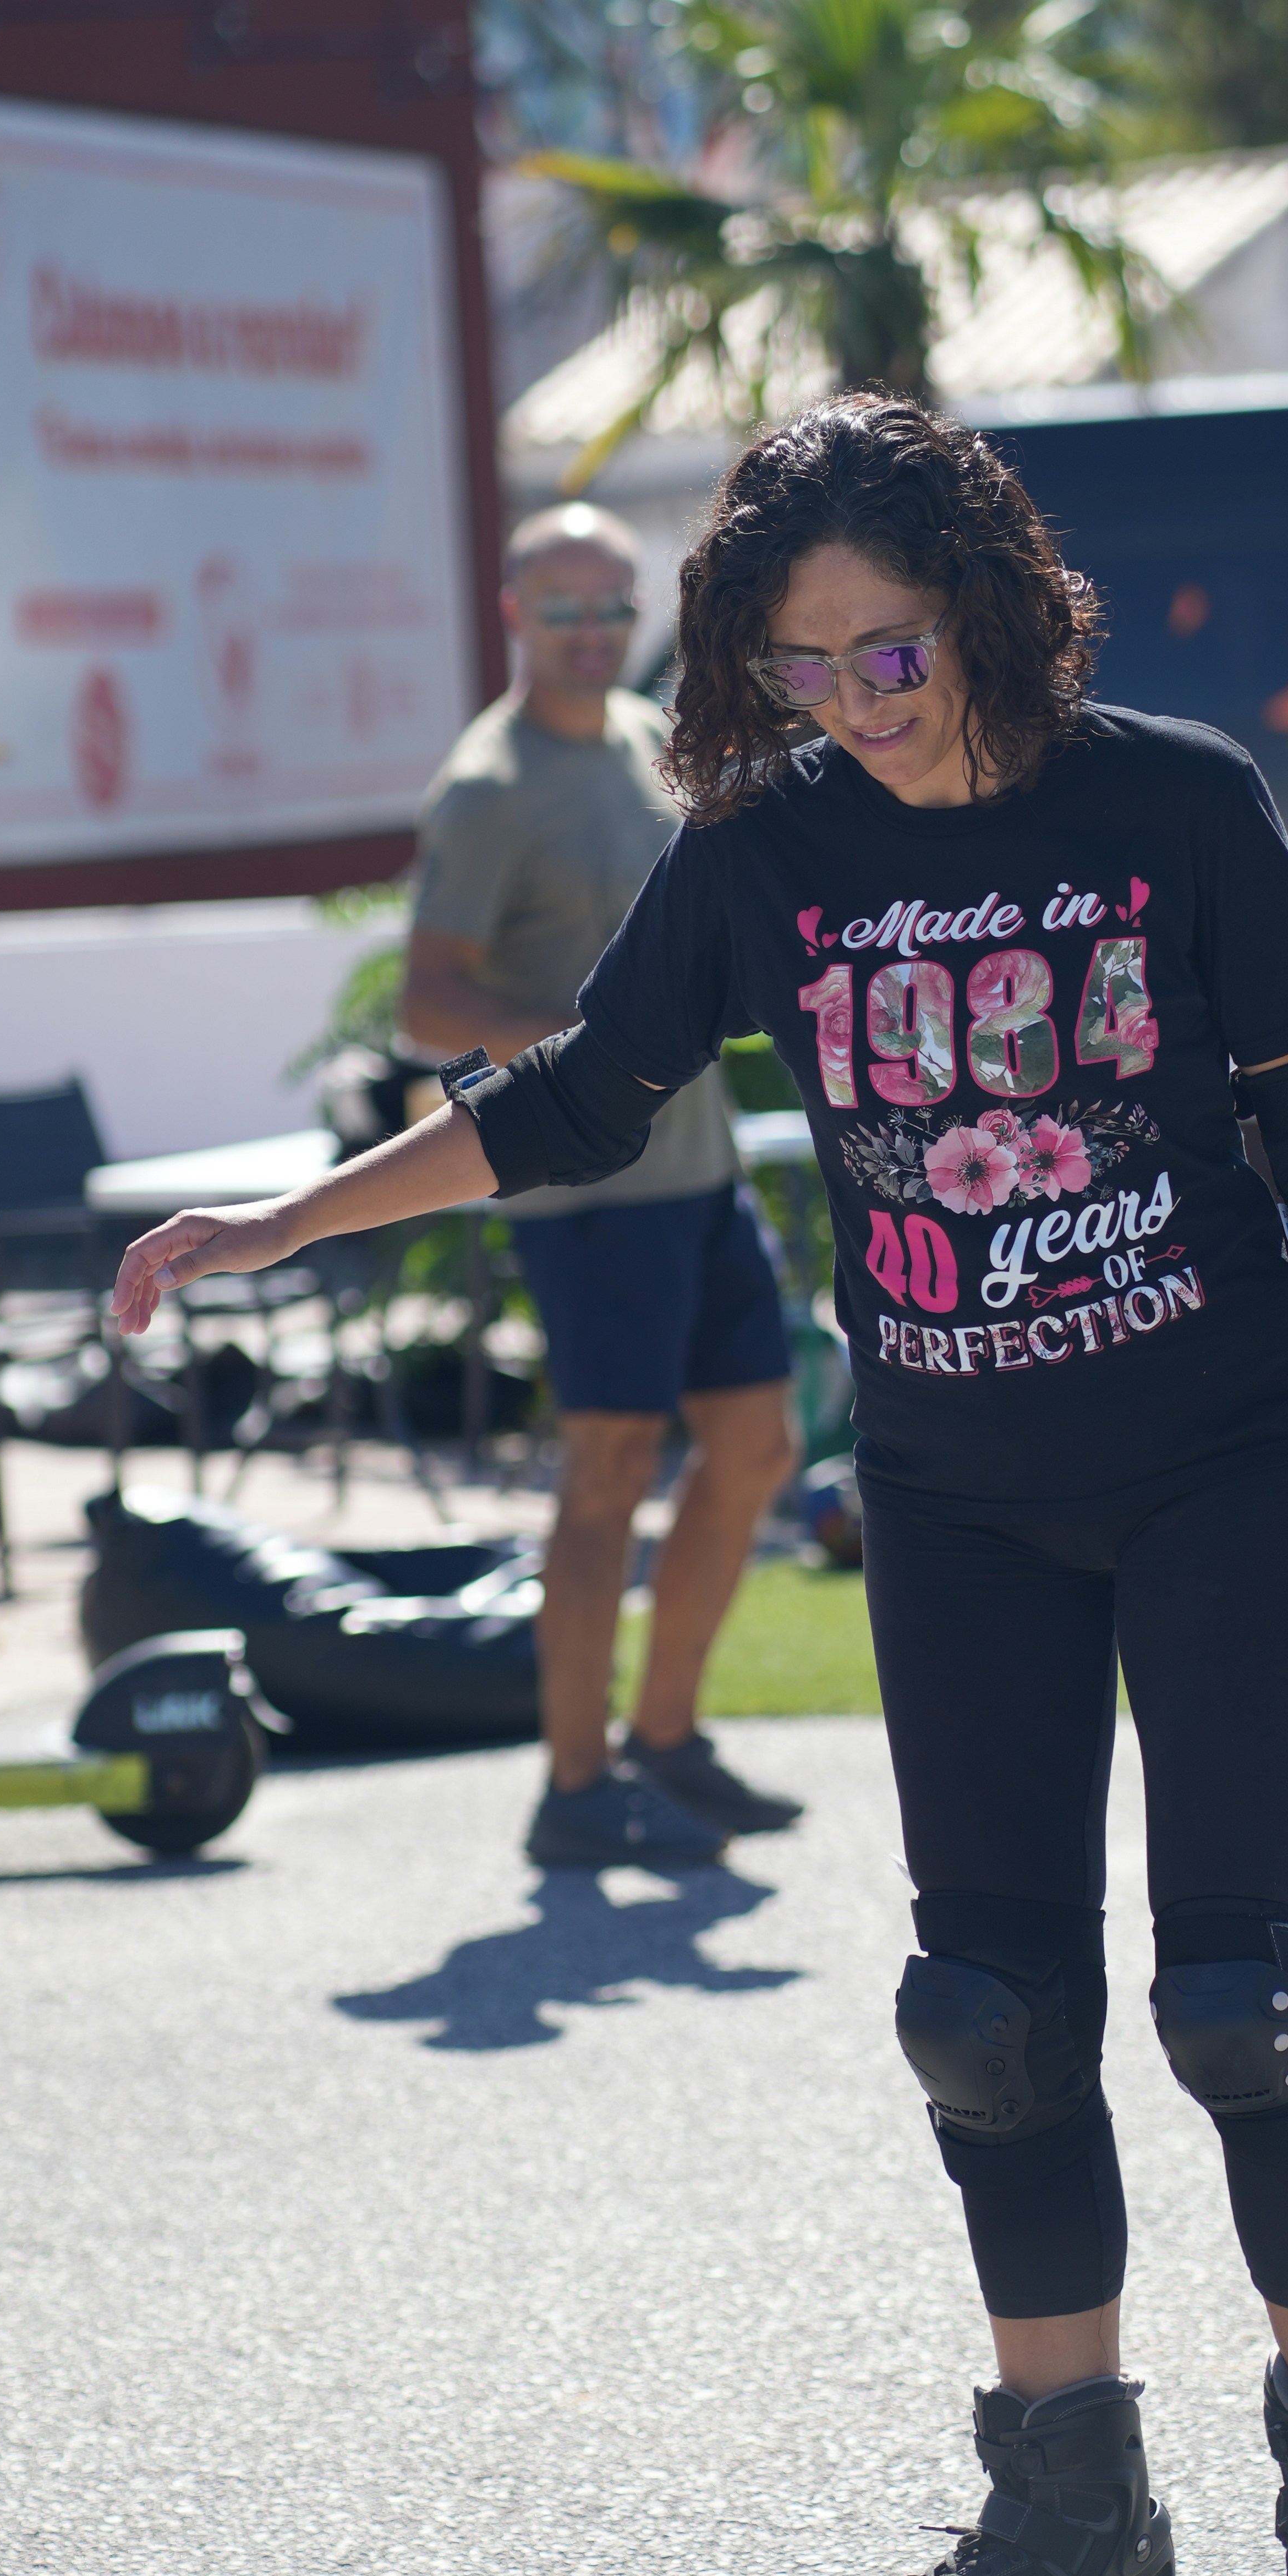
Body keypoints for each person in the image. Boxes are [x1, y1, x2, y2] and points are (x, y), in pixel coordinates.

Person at [113, 397, 1288, 2576]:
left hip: (1228, 1458)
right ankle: (1068, 2525)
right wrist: (282, 1222)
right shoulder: (768, 858)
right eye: (811, 661)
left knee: (1240, 1998)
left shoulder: (1165, 803)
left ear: (992, 604)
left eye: (895, 644)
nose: (865, 696)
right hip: (953, 1489)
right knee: (988, 2015)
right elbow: (571, 1095)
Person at [398, 500, 800, 1868]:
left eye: (609, 607)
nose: (588, 632)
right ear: (513, 613)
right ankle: (574, 1788)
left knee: (756, 1448)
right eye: (560, 607)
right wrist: (588, 1041)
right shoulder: (491, 783)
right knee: (607, 1472)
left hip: (697, 1167)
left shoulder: (647, 744)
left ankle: (666, 1746)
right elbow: (424, 999)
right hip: (585, 1189)